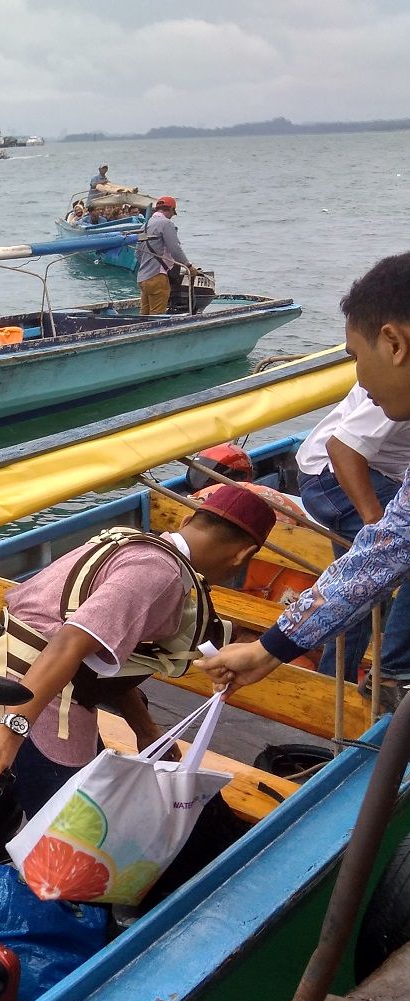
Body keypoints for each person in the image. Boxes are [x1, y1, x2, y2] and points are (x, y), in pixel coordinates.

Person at [0, 485, 277, 816]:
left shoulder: (128, 543)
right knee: (68, 834)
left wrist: (146, 730)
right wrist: (12, 731)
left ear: (186, 520)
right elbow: (69, 643)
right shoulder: (160, 574)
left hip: (7, 683)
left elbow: (105, 657)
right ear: (243, 555)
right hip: (39, 711)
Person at [202, 252, 410, 693]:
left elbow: (382, 555)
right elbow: (380, 553)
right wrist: (266, 650)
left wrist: (266, 649)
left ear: (394, 343)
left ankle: (391, 672)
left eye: (356, 355)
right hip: (332, 478)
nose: (359, 379)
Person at [295, 384, 410, 689]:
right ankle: (392, 674)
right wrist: (376, 527)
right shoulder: (396, 381)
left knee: (357, 587)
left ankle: (331, 685)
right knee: (382, 569)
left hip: (365, 474)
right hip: (332, 476)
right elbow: (342, 448)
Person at [137, 196, 192, 315]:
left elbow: (138, 254)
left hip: (143, 278)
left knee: (144, 315)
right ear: (170, 209)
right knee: (157, 315)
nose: (172, 215)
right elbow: (175, 249)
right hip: (158, 277)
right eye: (173, 212)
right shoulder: (166, 223)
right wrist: (189, 266)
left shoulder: (145, 225)